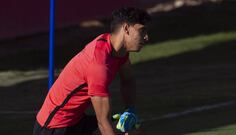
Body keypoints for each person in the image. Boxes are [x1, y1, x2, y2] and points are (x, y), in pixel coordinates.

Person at [33, 7, 151, 135]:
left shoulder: (118, 51)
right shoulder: (99, 64)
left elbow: (127, 80)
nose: (146, 38)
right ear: (126, 29)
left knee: (135, 130)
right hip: (54, 129)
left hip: (76, 121)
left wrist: (130, 111)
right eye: (142, 31)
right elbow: (103, 123)